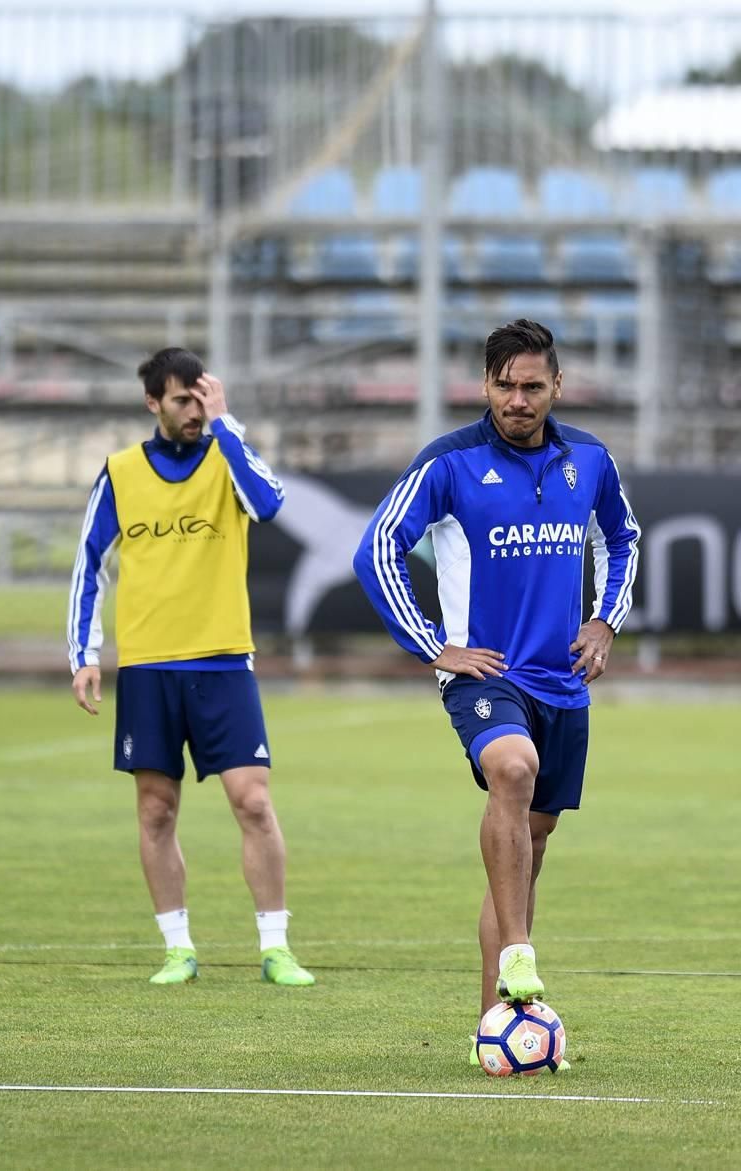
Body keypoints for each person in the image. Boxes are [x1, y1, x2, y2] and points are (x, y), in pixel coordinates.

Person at [353, 319, 639, 1064]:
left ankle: (495, 1023)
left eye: (532, 385)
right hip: (486, 675)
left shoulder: (590, 460)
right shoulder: (448, 462)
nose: (518, 399)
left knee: (528, 849)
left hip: (563, 681)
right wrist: (433, 645)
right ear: (484, 384)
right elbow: (377, 546)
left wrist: (605, 620)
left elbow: (623, 539)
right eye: (505, 385)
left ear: (557, 386)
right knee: (512, 769)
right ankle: (520, 953)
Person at [67, 347, 314, 988]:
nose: (194, 411)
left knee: (253, 801)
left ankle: (275, 946)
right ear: (153, 403)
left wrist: (228, 426)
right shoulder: (119, 472)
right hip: (148, 667)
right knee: (155, 810)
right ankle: (177, 947)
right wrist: (84, 656)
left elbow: (270, 505)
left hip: (224, 661)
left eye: (202, 398)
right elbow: (89, 565)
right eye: (182, 400)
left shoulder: (226, 457)